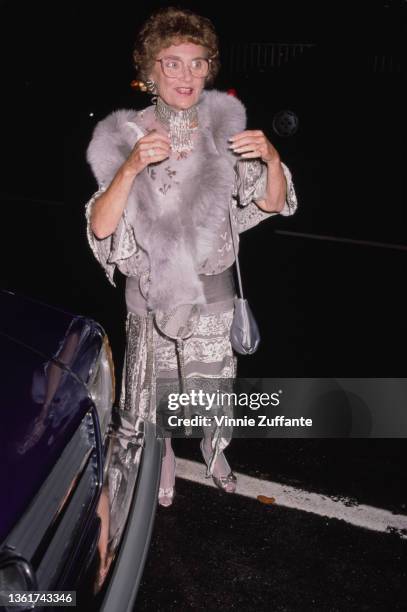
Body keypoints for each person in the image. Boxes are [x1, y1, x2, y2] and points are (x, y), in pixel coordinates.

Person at [85, 6, 298, 507]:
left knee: (211, 391)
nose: (187, 74)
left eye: (198, 62)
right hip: (153, 299)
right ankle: (161, 458)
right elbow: (100, 225)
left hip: (212, 294)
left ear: (210, 68)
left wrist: (270, 157)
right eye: (172, 62)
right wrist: (131, 168)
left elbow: (270, 202)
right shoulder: (122, 136)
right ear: (149, 71)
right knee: (153, 396)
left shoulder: (225, 131)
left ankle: (214, 449)